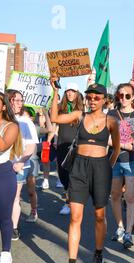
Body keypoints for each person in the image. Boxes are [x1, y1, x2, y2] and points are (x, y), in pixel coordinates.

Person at [50, 78, 120, 263]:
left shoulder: (111, 121)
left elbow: (115, 149)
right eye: (88, 97)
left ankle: (98, 253)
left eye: (96, 97)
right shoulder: (78, 116)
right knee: (75, 216)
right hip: (79, 168)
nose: (92, 100)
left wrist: (108, 167)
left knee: (99, 215)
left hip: (101, 169)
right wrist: (55, 92)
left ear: (104, 100)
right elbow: (54, 117)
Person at [108, 83, 134, 249]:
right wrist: (124, 145)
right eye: (120, 95)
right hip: (114, 160)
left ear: (133, 97)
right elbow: (106, 138)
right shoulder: (110, 114)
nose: (123, 98)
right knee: (115, 195)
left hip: (132, 161)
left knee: (130, 197)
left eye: (127, 96)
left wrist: (125, 145)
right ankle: (120, 227)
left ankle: (129, 233)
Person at [0, 91, 22, 263]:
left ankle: (5, 252)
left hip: (2, 176)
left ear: (3, 106)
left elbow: (1, 146)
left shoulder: (11, 126)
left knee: (4, 216)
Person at [6, 90, 39, 241]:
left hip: (18, 166)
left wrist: (21, 162)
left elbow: (31, 146)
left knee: (14, 197)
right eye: (17, 100)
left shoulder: (26, 122)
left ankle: (13, 227)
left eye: (21, 100)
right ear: (9, 101)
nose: (20, 103)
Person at [55, 82, 85, 215]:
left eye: (73, 91)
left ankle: (69, 202)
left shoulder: (81, 111)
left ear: (77, 93)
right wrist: (55, 91)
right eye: (68, 91)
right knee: (63, 175)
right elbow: (53, 122)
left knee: (73, 176)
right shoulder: (60, 108)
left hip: (75, 147)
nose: (70, 93)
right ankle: (69, 197)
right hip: (61, 145)